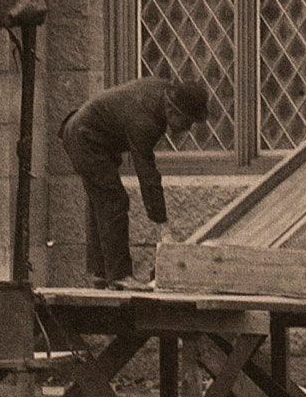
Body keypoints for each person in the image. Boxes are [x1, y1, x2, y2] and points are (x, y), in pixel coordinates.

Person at [57, 75, 211, 287]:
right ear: (172, 111)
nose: (188, 127)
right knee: (114, 201)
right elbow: (147, 175)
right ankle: (120, 275)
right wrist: (162, 223)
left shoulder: (163, 90)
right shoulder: (145, 122)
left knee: (101, 202)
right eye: (187, 121)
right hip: (85, 139)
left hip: (83, 132)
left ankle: (99, 272)